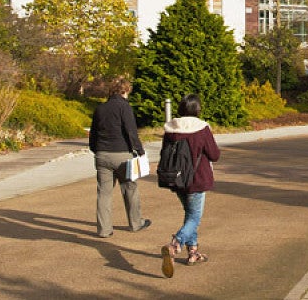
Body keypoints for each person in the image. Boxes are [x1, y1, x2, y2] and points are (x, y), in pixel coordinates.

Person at [160, 94, 221, 276]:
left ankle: (193, 253)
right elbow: (214, 154)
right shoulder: (201, 129)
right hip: (197, 179)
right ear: (197, 109)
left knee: (189, 215)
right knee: (195, 217)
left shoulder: (171, 129)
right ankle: (175, 245)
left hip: (177, 179)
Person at [88, 77, 151, 238]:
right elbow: (131, 131)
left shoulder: (100, 108)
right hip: (122, 154)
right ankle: (136, 223)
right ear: (125, 90)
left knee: (104, 193)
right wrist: (140, 151)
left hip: (102, 154)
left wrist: (96, 150)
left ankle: (104, 229)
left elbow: (93, 133)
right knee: (130, 188)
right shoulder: (125, 107)